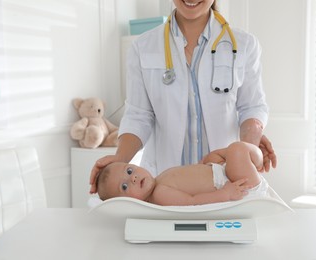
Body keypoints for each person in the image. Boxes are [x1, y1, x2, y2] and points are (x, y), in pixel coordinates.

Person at [90, 0, 277, 194]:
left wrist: (248, 147)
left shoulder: (245, 45)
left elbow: (252, 108)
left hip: (226, 184)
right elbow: (138, 115)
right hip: (164, 185)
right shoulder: (143, 47)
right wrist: (120, 159)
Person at [96, 141, 268, 206]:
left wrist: (208, 164)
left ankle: (254, 160)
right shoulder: (160, 194)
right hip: (234, 185)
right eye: (124, 186)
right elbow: (191, 201)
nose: (132, 177)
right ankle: (256, 161)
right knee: (237, 149)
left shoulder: (158, 181)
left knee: (223, 152)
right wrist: (225, 194)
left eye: (129, 170)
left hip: (222, 173)